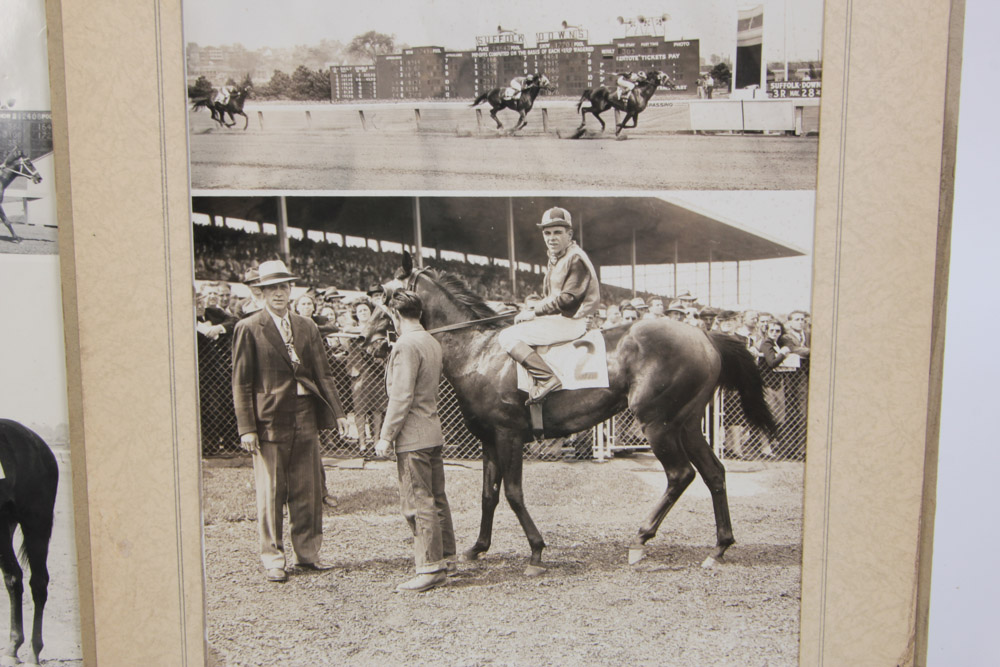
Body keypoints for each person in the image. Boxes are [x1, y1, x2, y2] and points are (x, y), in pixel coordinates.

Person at [231, 260, 350, 582]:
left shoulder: (306, 326)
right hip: (269, 420)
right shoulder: (248, 327)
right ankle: (273, 558)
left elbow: (324, 374)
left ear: (290, 290)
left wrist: (339, 413)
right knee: (271, 491)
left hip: (305, 413)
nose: (279, 293)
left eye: (283, 287)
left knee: (307, 489)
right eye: (272, 288)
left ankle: (308, 554)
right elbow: (241, 382)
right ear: (261, 292)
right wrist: (246, 428)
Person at [374, 290, 456, 593]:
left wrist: (386, 436)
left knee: (417, 502)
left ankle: (430, 568)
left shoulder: (405, 345)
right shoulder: (430, 341)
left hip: (412, 437)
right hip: (432, 431)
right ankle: (447, 559)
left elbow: (401, 396)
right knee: (437, 499)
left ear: (395, 316)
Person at [496, 207, 600, 405]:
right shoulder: (558, 258)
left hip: (571, 321)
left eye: (557, 232)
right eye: (547, 233)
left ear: (569, 234)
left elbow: (568, 299)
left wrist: (534, 312)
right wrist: (528, 310)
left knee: (507, 336)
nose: (551, 238)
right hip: (562, 318)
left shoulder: (575, 258)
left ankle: (547, 379)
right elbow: (551, 297)